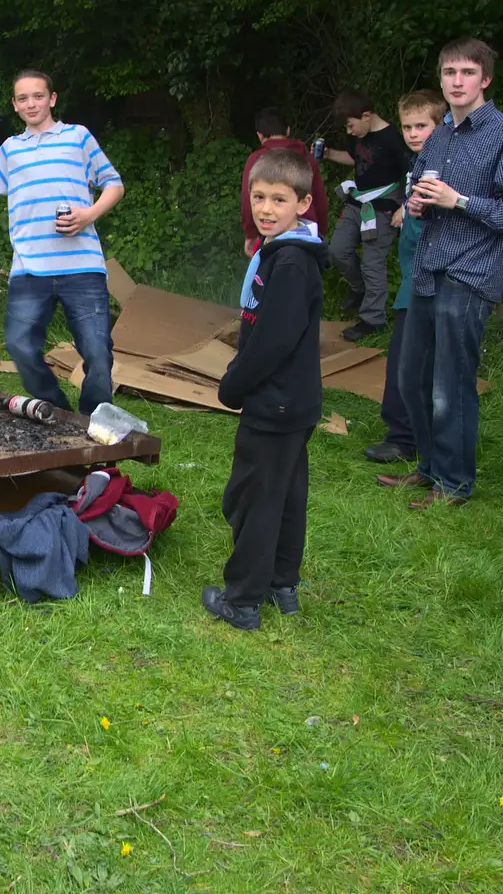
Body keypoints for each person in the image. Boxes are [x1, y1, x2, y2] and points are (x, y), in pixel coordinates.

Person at [380, 39, 503, 508]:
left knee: (450, 386)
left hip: (470, 273)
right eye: (450, 72)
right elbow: (427, 189)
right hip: (428, 270)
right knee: (412, 377)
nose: (457, 81)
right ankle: (430, 469)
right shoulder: (440, 135)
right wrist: (418, 202)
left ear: (485, 79)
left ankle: (453, 485)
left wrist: (461, 201)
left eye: (467, 73)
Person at [0, 69, 124, 414]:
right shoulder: (11, 150)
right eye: (23, 98)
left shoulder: (78, 137)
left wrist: (88, 215)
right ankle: (57, 412)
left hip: (82, 267)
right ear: (15, 105)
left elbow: (114, 184)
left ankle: (94, 417)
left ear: (52, 99)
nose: (31, 103)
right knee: (19, 345)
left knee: (97, 352)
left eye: (38, 96)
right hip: (30, 270)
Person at [203, 148, 328, 631]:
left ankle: (243, 600)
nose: (266, 208)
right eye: (259, 197)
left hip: (274, 403)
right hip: (294, 402)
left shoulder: (291, 263)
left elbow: (274, 340)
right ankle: (281, 583)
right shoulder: (280, 254)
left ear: (302, 204)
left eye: (279, 198)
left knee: (252, 499)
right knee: (286, 494)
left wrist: (233, 384)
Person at [363, 89, 445, 464]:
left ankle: (407, 438)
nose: (413, 133)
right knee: (405, 359)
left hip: (432, 281)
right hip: (411, 279)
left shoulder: (444, 164)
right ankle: (407, 434)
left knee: (412, 362)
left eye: (421, 126)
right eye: (407, 126)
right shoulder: (416, 163)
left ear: (440, 124)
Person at [324, 89, 412, 341]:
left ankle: (372, 319)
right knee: (337, 250)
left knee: (373, 262)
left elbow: (411, 173)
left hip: (384, 206)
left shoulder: (393, 138)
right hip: (358, 201)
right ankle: (359, 288)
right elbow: (356, 159)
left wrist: (404, 207)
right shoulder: (358, 134)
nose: (350, 132)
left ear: (366, 115)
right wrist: (329, 154)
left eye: (351, 126)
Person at [241, 106, 328, 256]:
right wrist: (320, 232)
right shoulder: (307, 158)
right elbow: (320, 200)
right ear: (288, 130)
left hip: (273, 230)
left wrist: (250, 234)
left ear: (260, 135)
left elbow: (247, 199)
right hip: (306, 231)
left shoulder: (256, 159)